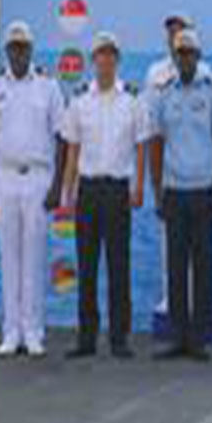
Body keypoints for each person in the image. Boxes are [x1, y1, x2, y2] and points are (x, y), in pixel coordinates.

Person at [0, 21, 65, 358]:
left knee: (34, 258)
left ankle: (33, 331)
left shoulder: (48, 87)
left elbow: (61, 137)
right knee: (10, 257)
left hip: (38, 179)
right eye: (12, 47)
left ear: (31, 50)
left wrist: (57, 186)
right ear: (6, 51)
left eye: (23, 47)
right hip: (4, 178)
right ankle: (11, 331)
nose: (18, 52)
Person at [60, 32, 148, 359]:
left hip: (117, 190)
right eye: (101, 55)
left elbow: (141, 146)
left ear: (117, 60)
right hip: (88, 190)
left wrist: (139, 186)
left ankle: (119, 338)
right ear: (93, 59)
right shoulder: (80, 100)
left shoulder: (132, 100)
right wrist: (68, 193)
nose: (106, 61)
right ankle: (86, 337)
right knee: (86, 266)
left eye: (111, 55)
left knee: (118, 265)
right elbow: (72, 149)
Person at [148, 28, 212, 360]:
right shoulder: (164, 95)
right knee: (176, 267)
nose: (184, 59)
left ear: (198, 57)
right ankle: (178, 337)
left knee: (203, 266)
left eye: (189, 54)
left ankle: (200, 339)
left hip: (202, 190)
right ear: (175, 58)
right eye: (179, 54)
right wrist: (157, 191)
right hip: (175, 191)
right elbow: (156, 143)